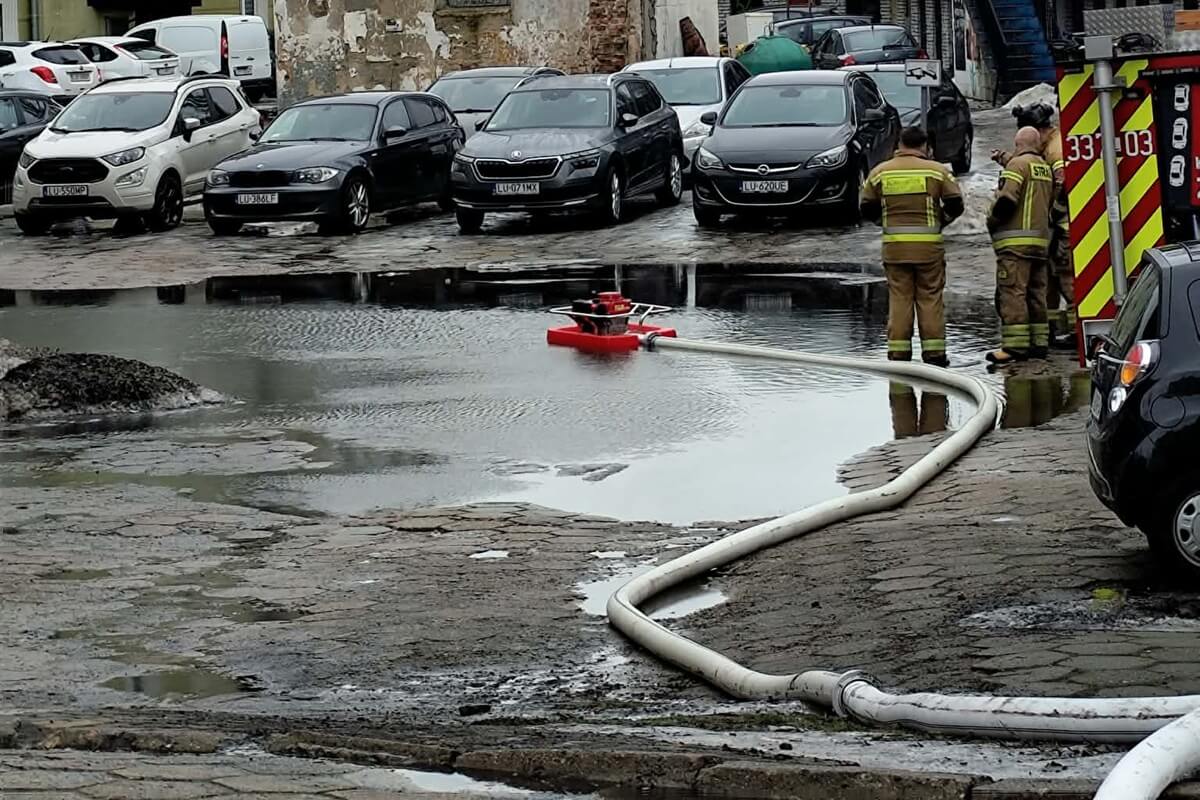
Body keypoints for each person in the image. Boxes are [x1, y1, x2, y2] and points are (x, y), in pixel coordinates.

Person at [860, 126, 964, 367]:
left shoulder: (880, 173)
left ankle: (898, 353)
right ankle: (935, 354)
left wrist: (883, 222)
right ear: (925, 146)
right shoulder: (937, 172)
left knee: (900, 299)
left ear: (899, 144)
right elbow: (955, 203)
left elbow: (866, 206)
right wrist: (942, 221)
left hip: (895, 249)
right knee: (930, 299)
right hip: (928, 250)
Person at [992, 103, 1073, 346]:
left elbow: (1062, 188)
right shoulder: (1046, 147)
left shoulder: (1056, 150)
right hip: (1048, 231)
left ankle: (1077, 334)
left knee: (1067, 279)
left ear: (1039, 130)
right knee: (1044, 283)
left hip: (1063, 228)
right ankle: (1045, 333)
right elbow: (1034, 171)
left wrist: (1051, 216)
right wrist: (1008, 159)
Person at [986, 126, 1057, 365]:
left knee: (1013, 293)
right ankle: (1039, 344)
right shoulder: (1044, 168)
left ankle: (1014, 347)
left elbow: (1007, 200)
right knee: (1037, 294)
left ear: (1018, 144)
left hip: (1015, 246)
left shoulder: (1017, 166)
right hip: (1040, 244)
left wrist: (992, 221)